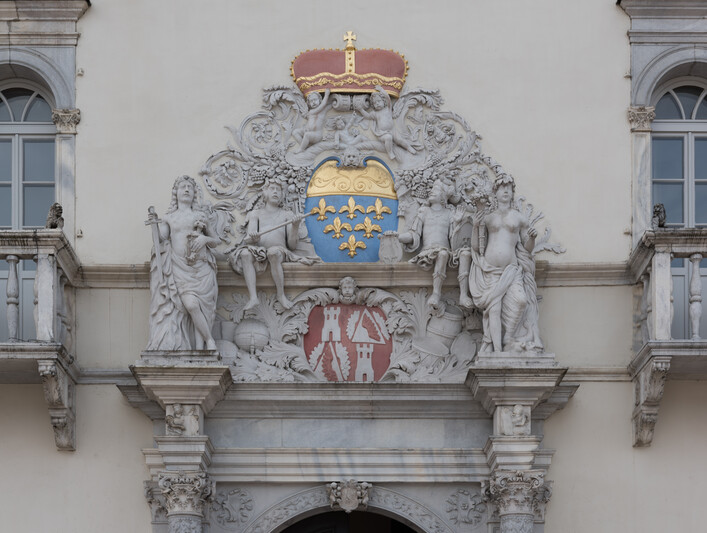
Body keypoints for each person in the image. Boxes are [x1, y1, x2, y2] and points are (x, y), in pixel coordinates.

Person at [468, 175, 543, 353]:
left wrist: (532, 238)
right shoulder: (487, 218)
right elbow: (476, 247)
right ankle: (497, 350)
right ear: (495, 192)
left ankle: (508, 336)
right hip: (490, 270)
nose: (506, 191)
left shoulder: (519, 218)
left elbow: (527, 248)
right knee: (494, 309)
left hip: (511, 270)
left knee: (521, 301)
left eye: (509, 188)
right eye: (502, 188)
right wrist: (475, 226)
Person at [146, 176, 219, 351]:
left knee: (203, 309)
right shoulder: (169, 218)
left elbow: (215, 241)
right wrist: (155, 224)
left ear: (194, 193)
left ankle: (200, 348)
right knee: (191, 304)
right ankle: (210, 340)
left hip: (202, 269)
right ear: (176, 193)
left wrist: (204, 239)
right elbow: (162, 238)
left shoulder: (200, 216)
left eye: (190, 187)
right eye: (182, 187)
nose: (186, 190)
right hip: (180, 268)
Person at [230, 181, 316, 310]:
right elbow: (249, 239)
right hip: (260, 250)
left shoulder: (287, 215)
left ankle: (280, 295)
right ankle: (253, 297)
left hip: (279, 250)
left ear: (282, 195)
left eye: (278, 190)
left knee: (273, 252)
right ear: (265, 193)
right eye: (272, 188)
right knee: (245, 254)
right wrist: (254, 238)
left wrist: (295, 226)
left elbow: (292, 245)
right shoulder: (255, 214)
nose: (275, 191)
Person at [399, 180, 464, 313]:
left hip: (444, 252)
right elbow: (414, 234)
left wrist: (457, 223)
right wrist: (398, 237)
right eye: (432, 189)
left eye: (436, 190)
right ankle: (436, 293)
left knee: (443, 254)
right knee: (442, 254)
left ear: (443, 196)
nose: (432, 192)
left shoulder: (449, 213)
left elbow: (454, 239)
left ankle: (436, 293)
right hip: (427, 252)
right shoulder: (424, 211)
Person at [292, 88, 331, 153]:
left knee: (307, 135)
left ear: (320, 100)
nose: (313, 102)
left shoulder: (319, 110)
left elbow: (324, 105)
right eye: (311, 101)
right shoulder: (311, 112)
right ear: (309, 104)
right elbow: (310, 121)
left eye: (315, 100)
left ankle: (301, 149)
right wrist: (306, 128)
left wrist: (327, 95)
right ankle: (304, 145)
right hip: (308, 131)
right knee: (295, 132)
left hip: (317, 135)